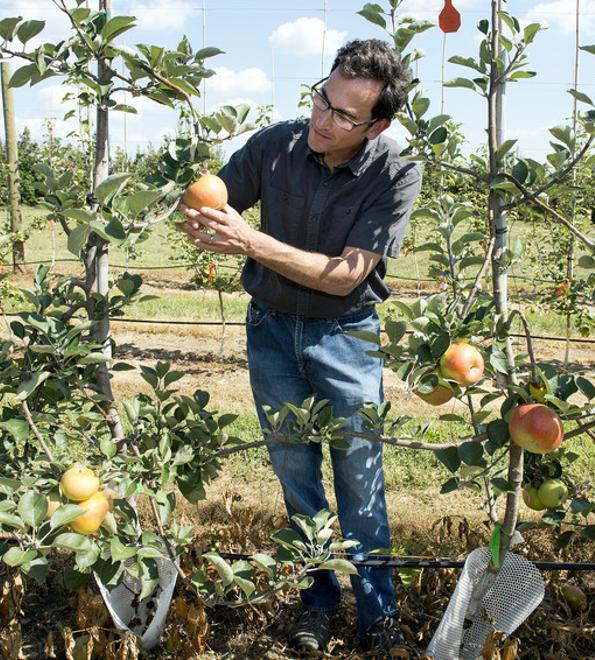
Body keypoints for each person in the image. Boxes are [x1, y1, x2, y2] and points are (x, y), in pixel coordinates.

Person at [179, 39, 421, 654]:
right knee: (295, 473)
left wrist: (251, 243)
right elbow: (212, 199)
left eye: (344, 116)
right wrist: (198, 213)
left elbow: (348, 274)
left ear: (377, 126)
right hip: (272, 333)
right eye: (322, 99)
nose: (322, 119)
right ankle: (317, 600)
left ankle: (377, 615)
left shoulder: (395, 170)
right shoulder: (276, 145)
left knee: (359, 476)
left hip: (347, 336)